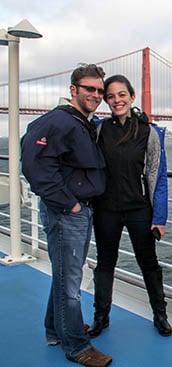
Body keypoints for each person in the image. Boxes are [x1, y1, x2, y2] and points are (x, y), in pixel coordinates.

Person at [21, 64, 112, 367]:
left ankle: (56, 329)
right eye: (90, 89)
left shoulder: (82, 122)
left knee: (64, 277)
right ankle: (76, 345)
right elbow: (35, 166)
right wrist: (69, 204)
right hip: (67, 212)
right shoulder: (58, 122)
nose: (96, 95)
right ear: (73, 90)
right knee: (70, 282)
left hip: (80, 211)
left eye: (100, 90)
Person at [87, 74, 171, 338]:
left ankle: (160, 315)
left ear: (132, 97)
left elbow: (158, 177)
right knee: (105, 264)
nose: (116, 100)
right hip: (106, 209)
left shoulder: (150, 132)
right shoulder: (99, 129)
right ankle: (101, 317)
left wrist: (160, 217)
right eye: (110, 96)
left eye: (121, 95)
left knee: (149, 263)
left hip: (138, 208)